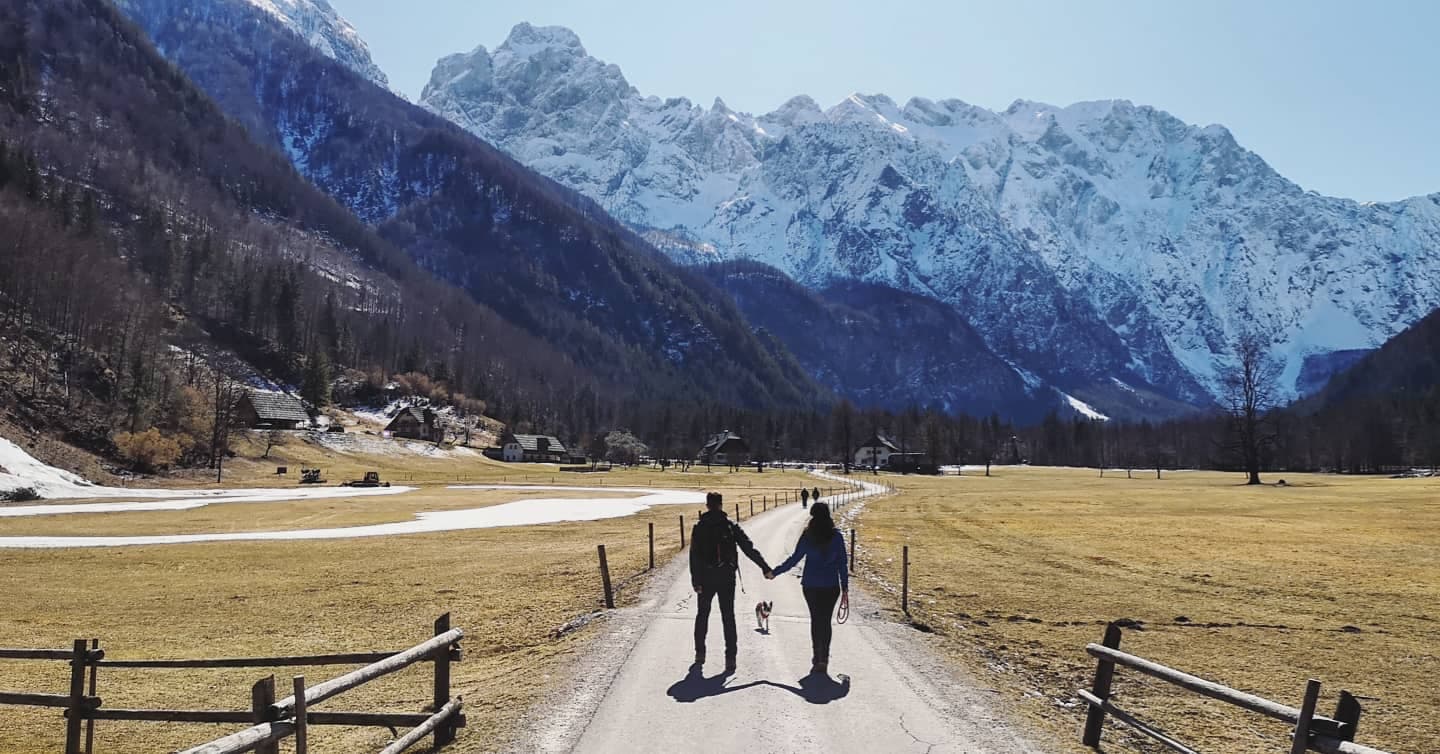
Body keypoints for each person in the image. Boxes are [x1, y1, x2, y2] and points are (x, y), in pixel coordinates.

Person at [690, 491, 772, 673]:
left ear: (707, 505)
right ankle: (730, 658)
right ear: (721, 504)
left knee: (702, 615)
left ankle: (700, 654)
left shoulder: (699, 527)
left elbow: (694, 556)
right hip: (726, 577)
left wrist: (696, 580)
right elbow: (748, 548)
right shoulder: (730, 526)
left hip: (705, 577)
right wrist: (764, 567)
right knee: (728, 616)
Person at [768, 502, 848, 674]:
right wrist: (845, 587)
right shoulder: (836, 537)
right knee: (825, 621)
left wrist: (775, 572)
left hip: (811, 585)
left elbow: (794, 559)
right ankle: (824, 658)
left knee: (816, 620)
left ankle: (816, 656)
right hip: (831, 585)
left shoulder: (808, 536)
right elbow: (842, 563)